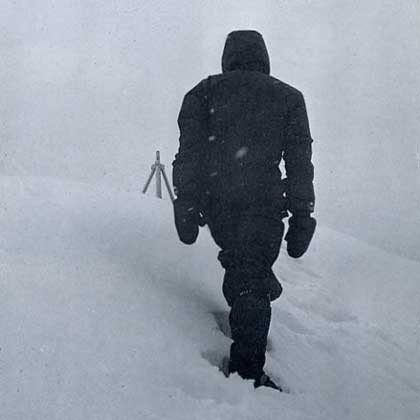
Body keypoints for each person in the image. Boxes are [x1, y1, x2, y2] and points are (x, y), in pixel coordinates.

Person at [172, 30, 316, 391]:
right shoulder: (288, 98)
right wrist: (302, 216)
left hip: (218, 204)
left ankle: (252, 303)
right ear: (264, 58)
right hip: (264, 204)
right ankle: (246, 374)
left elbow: (189, 156)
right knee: (251, 274)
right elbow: (299, 165)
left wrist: (186, 202)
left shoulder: (202, 92)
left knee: (243, 267)